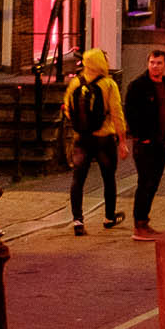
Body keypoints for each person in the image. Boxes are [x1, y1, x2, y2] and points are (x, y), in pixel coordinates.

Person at [62, 48, 127, 234]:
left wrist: (80, 125)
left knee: (78, 179)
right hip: (104, 139)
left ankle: (77, 220)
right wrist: (122, 140)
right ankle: (108, 217)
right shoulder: (108, 84)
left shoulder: (75, 83)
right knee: (108, 178)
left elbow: (67, 108)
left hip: (81, 139)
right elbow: (117, 113)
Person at [122, 50, 165, 240]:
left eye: (159, 63)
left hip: (161, 143)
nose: (155, 66)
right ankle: (139, 225)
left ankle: (144, 221)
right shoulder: (138, 86)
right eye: (152, 62)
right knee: (145, 183)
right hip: (145, 144)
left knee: (153, 184)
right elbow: (130, 113)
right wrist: (141, 136)